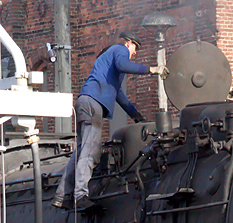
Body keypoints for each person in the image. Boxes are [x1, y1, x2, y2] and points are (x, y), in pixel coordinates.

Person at [54, 31, 166, 211]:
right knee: (91, 151)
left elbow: (119, 95)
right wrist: (150, 70)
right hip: (93, 103)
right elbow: (124, 64)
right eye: (135, 48)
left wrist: (136, 115)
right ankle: (81, 195)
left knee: (82, 151)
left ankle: (62, 195)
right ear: (129, 43)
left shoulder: (108, 67)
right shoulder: (119, 50)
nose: (135, 52)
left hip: (86, 102)